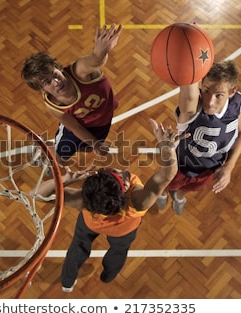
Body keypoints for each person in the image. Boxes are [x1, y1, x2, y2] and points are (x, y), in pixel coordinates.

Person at [31, 118, 188, 292]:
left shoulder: (84, 200)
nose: (119, 169)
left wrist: (65, 179)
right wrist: (167, 148)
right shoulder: (138, 201)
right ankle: (109, 275)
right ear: (125, 190)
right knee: (118, 252)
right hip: (124, 232)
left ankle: (67, 281)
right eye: (118, 174)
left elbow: (36, 194)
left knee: (77, 247)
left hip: (89, 223)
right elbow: (166, 176)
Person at [21, 23, 122, 165]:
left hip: (101, 119)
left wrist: (101, 51)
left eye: (55, 74)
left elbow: (94, 60)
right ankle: (46, 150)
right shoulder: (54, 105)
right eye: (47, 82)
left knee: (86, 148)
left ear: (59, 68)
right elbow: (75, 128)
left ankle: (51, 146)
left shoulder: (79, 72)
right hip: (79, 125)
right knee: (62, 159)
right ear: (42, 89)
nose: (56, 82)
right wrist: (95, 144)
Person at [156, 60, 241, 215]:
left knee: (187, 189)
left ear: (232, 92)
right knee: (163, 185)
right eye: (206, 91)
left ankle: (179, 196)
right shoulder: (192, 108)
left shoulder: (236, 104)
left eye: (219, 95)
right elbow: (188, 88)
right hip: (178, 167)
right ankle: (163, 194)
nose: (210, 102)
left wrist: (229, 166)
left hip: (208, 170)